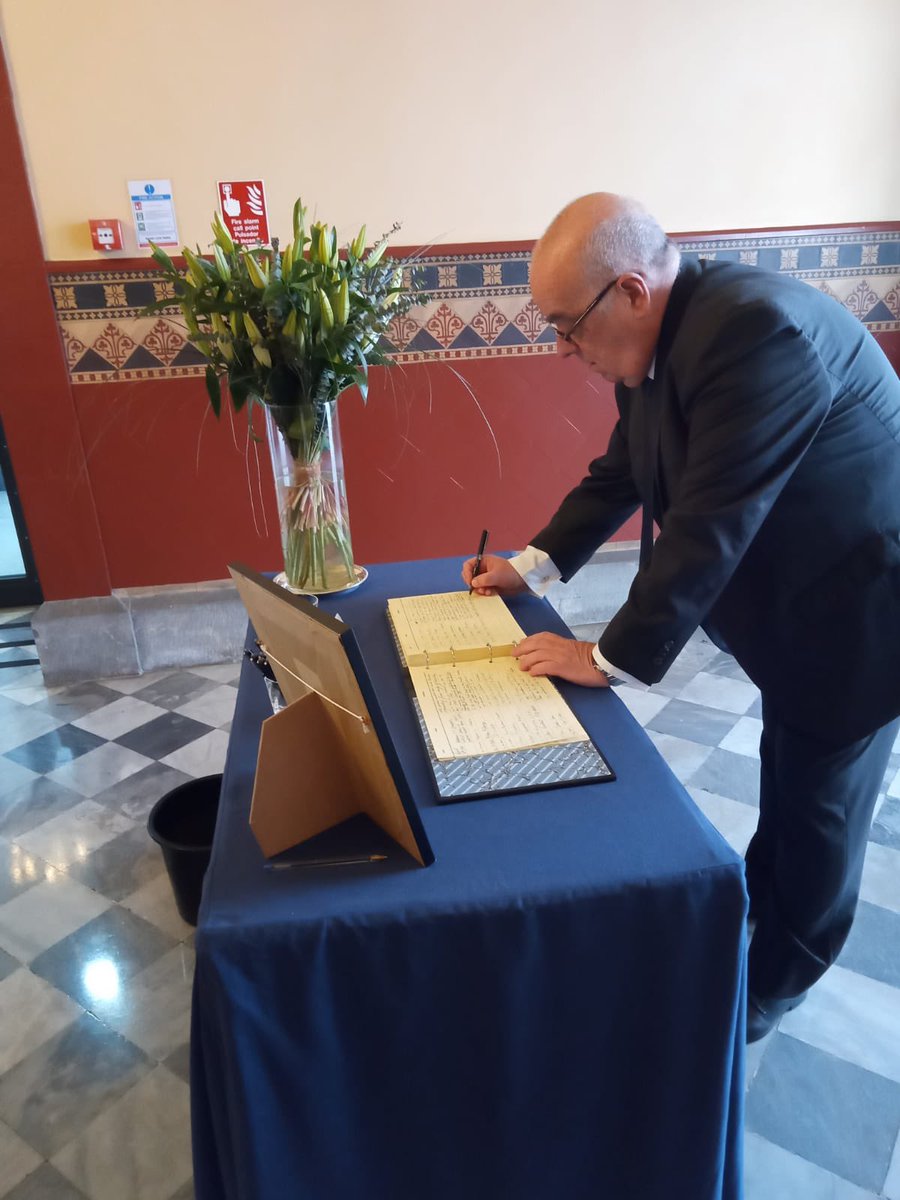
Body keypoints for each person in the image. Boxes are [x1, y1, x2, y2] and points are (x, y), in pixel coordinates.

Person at [463, 193, 900, 1042]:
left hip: (864, 614)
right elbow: (621, 469)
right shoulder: (669, 337)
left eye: (566, 325)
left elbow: (711, 524)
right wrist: (531, 566)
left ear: (630, 290)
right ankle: (755, 911)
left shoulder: (754, 334)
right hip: (804, 608)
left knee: (822, 807)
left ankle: (774, 985)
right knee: (792, 769)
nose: (561, 349)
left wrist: (609, 656)